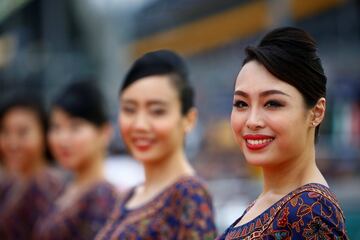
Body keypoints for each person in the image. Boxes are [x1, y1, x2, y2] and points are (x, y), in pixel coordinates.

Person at [217, 27, 348, 239]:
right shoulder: (268, 203)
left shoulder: (310, 211)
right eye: (241, 103)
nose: (252, 121)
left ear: (316, 112)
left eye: (273, 103)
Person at [96, 50, 217, 239]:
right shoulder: (130, 196)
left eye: (157, 111)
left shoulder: (189, 194)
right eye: (129, 110)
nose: (140, 125)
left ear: (188, 119)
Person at [32, 81, 118, 240]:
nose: (62, 139)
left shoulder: (103, 197)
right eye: (56, 128)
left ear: (105, 133)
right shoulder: (62, 188)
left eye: (75, 127)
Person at [0, 91, 64, 239]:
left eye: (22, 133)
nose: (12, 143)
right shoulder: (10, 183)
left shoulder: (47, 190)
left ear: (44, 134)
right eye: (5, 132)